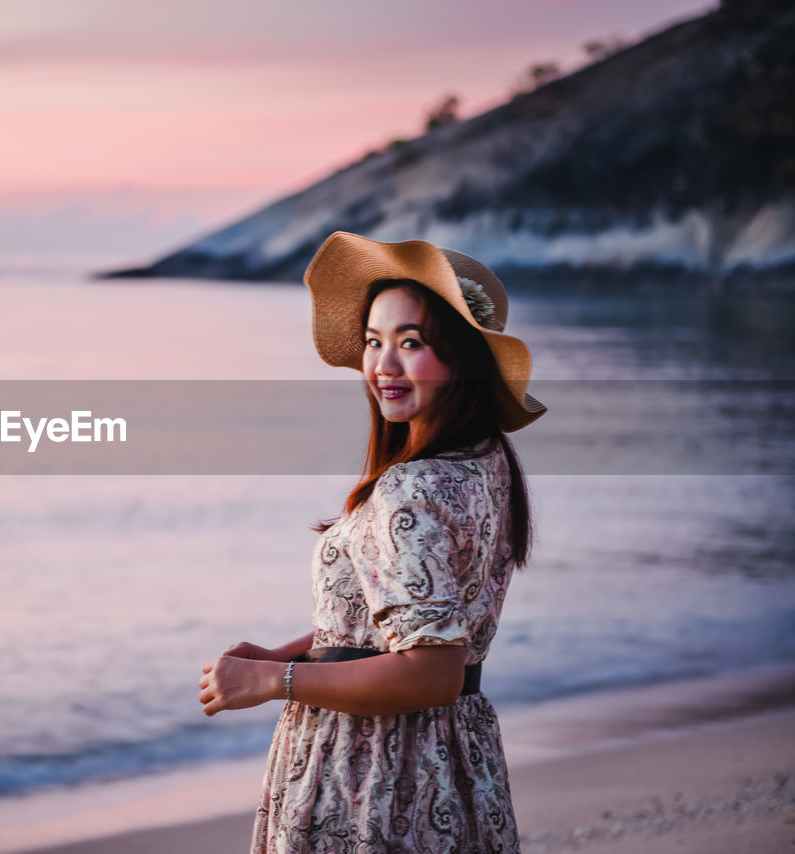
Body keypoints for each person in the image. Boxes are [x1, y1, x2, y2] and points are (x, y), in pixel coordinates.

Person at [197, 233, 547, 852]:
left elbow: (432, 671)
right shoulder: (485, 459)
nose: (383, 365)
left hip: (375, 774)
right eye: (374, 342)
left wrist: (272, 684)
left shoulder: (411, 489)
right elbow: (407, 620)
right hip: (454, 758)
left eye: (411, 344)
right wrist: (283, 657)